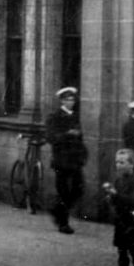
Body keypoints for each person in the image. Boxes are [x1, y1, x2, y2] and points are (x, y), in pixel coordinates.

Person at [46, 86, 88, 234]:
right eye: (67, 99)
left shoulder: (75, 116)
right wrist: (67, 134)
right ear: (62, 101)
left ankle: (57, 211)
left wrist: (83, 155)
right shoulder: (55, 116)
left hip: (75, 160)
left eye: (72, 99)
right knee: (63, 192)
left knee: (78, 189)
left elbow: (80, 138)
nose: (71, 102)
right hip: (61, 160)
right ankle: (63, 223)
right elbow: (51, 137)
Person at [103, 148, 134, 266]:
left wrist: (115, 195)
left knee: (132, 250)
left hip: (131, 220)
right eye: (117, 162)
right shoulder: (118, 180)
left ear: (131, 164)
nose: (118, 165)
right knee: (121, 250)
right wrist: (110, 197)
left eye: (122, 162)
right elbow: (116, 200)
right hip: (120, 219)